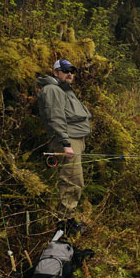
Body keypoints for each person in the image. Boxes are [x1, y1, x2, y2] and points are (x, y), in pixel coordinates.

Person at [36, 58, 92, 235]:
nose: (70, 74)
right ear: (55, 72)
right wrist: (66, 144)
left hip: (75, 140)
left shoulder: (64, 89)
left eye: (72, 71)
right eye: (66, 70)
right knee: (72, 181)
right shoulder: (52, 89)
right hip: (67, 141)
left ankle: (65, 220)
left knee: (72, 180)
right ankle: (64, 225)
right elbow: (56, 118)